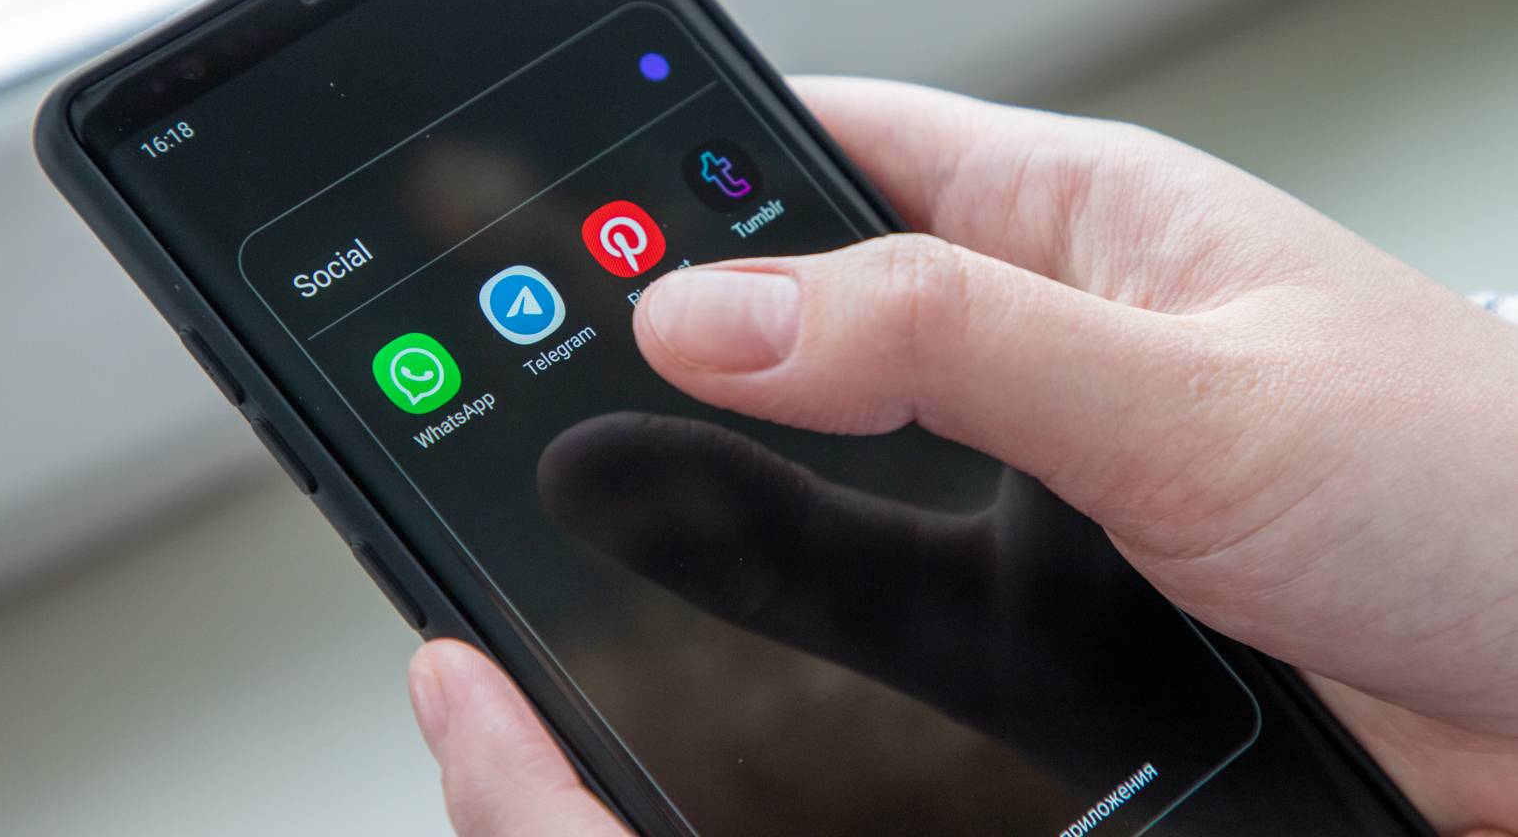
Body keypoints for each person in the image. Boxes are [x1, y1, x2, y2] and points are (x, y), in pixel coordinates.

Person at [405, 77, 1518, 837]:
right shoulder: (620, 664)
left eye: (539, 218)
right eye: (480, 259)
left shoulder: (938, 435)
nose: (545, 259)